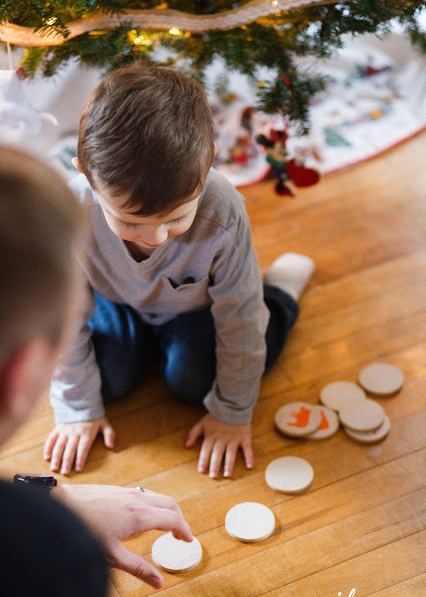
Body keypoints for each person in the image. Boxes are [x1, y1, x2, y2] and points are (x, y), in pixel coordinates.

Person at [45, 64, 315, 479]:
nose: (155, 237)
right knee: (108, 384)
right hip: (118, 301)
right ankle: (151, 348)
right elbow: (61, 317)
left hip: (197, 309)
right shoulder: (69, 210)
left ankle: (278, 295)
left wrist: (232, 413)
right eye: (130, 221)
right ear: (87, 174)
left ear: (208, 165)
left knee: (192, 383)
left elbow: (240, 318)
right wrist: (77, 408)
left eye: (177, 217)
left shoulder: (223, 208)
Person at [0, 146, 194, 597]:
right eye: (73, 321)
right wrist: (48, 520)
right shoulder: (48, 559)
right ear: (21, 372)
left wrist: (52, 499)